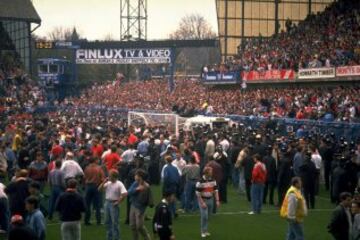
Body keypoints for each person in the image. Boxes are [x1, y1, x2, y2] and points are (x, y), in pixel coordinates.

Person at [98, 169, 128, 240]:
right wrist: (103, 182)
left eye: (110, 176)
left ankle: (117, 238)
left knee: (115, 222)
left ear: (114, 177)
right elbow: (99, 189)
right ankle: (109, 238)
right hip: (107, 203)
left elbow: (124, 193)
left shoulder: (119, 183)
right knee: (107, 221)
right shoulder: (108, 183)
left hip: (113, 204)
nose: (108, 177)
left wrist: (118, 201)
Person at [127, 169, 153, 240]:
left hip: (140, 209)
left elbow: (148, 201)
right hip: (133, 206)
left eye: (136, 175)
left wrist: (141, 211)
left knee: (139, 226)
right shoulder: (135, 183)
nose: (135, 176)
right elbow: (128, 192)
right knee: (132, 226)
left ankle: (147, 238)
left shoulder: (147, 186)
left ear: (140, 177)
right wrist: (136, 189)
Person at [195, 166, 220, 238]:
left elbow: (216, 191)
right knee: (204, 216)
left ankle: (206, 230)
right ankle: (202, 231)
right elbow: (198, 194)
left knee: (208, 216)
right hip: (203, 200)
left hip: (210, 200)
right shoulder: (200, 181)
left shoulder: (213, 180)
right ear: (206, 173)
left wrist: (217, 200)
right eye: (210, 172)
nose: (212, 173)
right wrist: (202, 203)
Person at [84, 156, 105, 225]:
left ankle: (86, 221)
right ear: (95, 160)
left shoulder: (86, 168)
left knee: (87, 204)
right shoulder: (99, 168)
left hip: (88, 187)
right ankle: (98, 221)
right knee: (97, 205)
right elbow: (102, 179)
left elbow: (84, 177)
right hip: (96, 186)